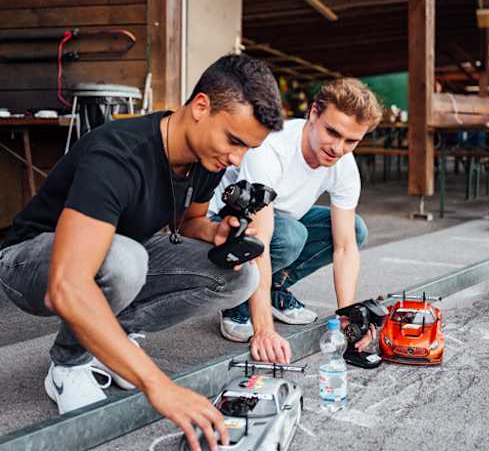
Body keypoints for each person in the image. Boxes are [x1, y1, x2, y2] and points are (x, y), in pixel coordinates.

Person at [0, 54, 284, 450]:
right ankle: (69, 363)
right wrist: (156, 384)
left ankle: (109, 342)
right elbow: (65, 286)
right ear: (201, 106)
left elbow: (188, 222)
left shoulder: (207, 158)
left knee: (239, 274)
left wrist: (218, 232)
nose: (237, 159)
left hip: (120, 253)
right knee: (123, 260)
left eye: (247, 148)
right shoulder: (118, 153)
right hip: (28, 261)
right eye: (234, 141)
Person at [211, 78, 382, 363]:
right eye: (332, 132)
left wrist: (347, 317)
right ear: (314, 113)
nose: (338, 148)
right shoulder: (270, 149)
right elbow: (260, 239)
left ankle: (274, 289)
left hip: (282, 223)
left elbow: (345, 247)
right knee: (290, 236)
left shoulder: (344, 165)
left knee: (354, 228)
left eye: (351, 141)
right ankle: (238, 302)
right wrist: (264, 330)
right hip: (226, 225)